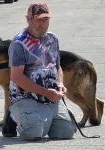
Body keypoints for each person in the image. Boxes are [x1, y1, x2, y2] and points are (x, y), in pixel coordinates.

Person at [8, 2, 76, 141]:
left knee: (65, 133)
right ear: (29, 19)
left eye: (45, 19)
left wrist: (60, 83)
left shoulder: (52, 39)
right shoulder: (19, 43)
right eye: (38, 19)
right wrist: (46, 92)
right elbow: (16, 77)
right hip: (25, 96)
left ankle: (39, 118)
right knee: (33, 135)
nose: (42, 24)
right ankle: (13, 117)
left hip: (50, 97)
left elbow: (57, 67)